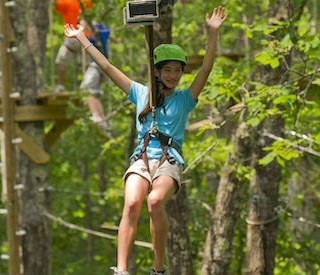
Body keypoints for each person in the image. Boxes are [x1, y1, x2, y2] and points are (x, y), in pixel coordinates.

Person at [64, 6, 226, 275]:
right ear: (158, 71)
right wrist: (83, 38)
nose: (174, 75)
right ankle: (122, 269)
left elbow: (207, 67)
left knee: (154, 202)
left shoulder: (184, 99)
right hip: (141, 158)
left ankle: (158, 269)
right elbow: (106, 67)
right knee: (131, 203)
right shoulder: (140, 93)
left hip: (168, 162)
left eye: (178, 71)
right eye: (168, 70)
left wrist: (212, 34)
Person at [53, 0, 110, 132]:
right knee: (91, 92)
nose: (81, 24)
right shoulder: (95, 33)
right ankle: (102, 119)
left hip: (96, 66)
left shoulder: (97, 31)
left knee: (86, 90)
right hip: (98, 66)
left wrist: (87, 28)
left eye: (82, 22)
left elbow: (101, 35)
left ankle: (97, 117)